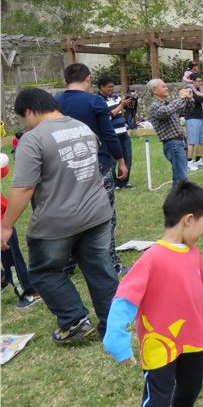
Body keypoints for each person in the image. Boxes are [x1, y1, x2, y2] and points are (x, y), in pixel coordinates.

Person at [3, 88, 119, 344]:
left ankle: (74, 320)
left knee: (44, 271)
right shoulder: (82, 128)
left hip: (57, 221)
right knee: (100, 270)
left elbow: (23, 188)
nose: (25, 124)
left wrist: (6, 225)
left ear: (29, 111)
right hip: (97, 214)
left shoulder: (33, 139)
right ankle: (113, 324)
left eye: (23, 118)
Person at [103, 181, 203, 405]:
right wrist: (116, 339)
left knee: (191, 387)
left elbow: (202, 295)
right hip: (160, 344)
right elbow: (124, 300)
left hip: (193, 339)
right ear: (189, 220)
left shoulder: (194, 255)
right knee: (158, 397)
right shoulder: (151, 259)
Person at [56, 63, 127, 274]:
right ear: (88, 79)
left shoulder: (55, 102)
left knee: (70, 210)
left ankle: (68, 261)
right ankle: (110, 261)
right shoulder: (94, 101)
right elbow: (108, 134)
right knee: (105, 212)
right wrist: (121, 161)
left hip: (66, 164)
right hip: (98, 162)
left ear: (65, 81)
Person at [1, 152, 41, 309]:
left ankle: (29, 291)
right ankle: (6, 277)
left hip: (2, 227)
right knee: (8, 261)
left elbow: (4, 169)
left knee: (12, 261)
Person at [148, 79, 195, 187]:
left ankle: (176, 197)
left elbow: (185, 111)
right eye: (163, 86)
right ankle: (182, 197)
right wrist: (181, 98)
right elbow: (166, 112)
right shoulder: (155, 105)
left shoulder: (168, 104)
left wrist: (189, 99)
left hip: (179, 142)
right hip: (173, 144)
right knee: (182, 178)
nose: (166, 88)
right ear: (154, 91)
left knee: (179, 176)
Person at [97, 75, 135, 190]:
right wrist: (121, 105)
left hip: (123, 132)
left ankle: (123, 182)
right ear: (101, 87)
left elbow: (125, 111)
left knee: (127, 157)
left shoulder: (115, 97)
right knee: (112, 160)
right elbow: (108, 116)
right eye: (109, 87)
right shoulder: (98, 101)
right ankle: (112, 183)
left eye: (112, 87)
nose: (111, 89)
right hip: (112, 135)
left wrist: (130, 102)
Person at [185, 73, 203, 171]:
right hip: (192, 118)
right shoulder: (189, 89)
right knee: (192, 141)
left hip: (200, 117)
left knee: (201, 140)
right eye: (198, 81)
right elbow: (198, 99)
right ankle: (189, 162)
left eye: (201, 81)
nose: (200, 83)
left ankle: (198, 160)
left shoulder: (199, 90)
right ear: (193, 81)